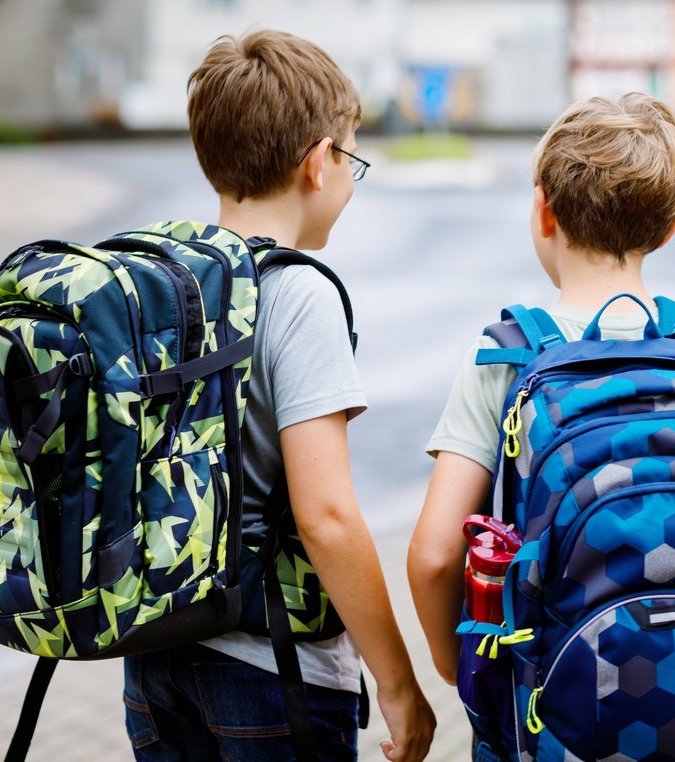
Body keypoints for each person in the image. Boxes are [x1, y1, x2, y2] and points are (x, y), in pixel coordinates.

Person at [407, 92, 675, 687]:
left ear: (543, 211)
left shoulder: (504, 361)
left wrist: (456, 667)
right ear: (669, 230)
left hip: (554, 704)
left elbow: (435, 558)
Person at [122, 30, 435, 761]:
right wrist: (396, 682)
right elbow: (325, 517)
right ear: (320, 162)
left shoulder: (166, 280)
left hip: (154, 653)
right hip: (275, 668)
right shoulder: (297, 292)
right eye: (352, 159)